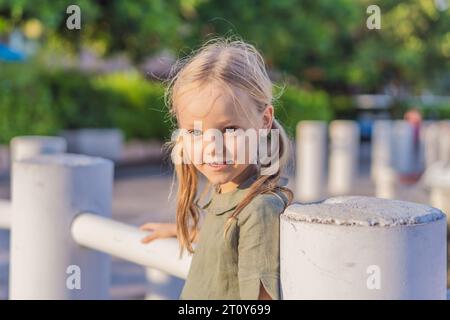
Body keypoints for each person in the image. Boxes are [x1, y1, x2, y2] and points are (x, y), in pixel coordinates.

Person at [139, 38, 293, 300]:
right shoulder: (229, 194)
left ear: (264, 120)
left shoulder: (257, 209)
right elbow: (229, 245)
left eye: (230, 129)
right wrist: (185, 231)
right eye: (195, 131)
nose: (212, 146)